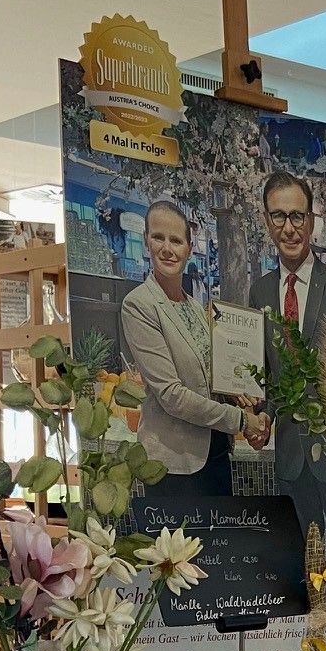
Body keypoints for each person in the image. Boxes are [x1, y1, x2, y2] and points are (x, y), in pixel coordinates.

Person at [249, 171, 326, 543]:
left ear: (311, 221)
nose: (289, 228)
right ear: (267, 221)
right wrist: (261, 415)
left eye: (297, 216)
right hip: (289, 453)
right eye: (279, 216)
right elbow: (266, 376)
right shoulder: (260, 293)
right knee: (300, 558)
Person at [119, 199, 269, 498]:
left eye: (176, 240)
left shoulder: (197, 309)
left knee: (220, 546)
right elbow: (172, 397)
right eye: (158, 237)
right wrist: (242, 420)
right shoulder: (139, 306)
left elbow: (214, 379)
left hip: (215, 456)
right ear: (146, 241)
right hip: (174, 467)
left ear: (189, 248)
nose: (167, 248)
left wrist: (245, 399)